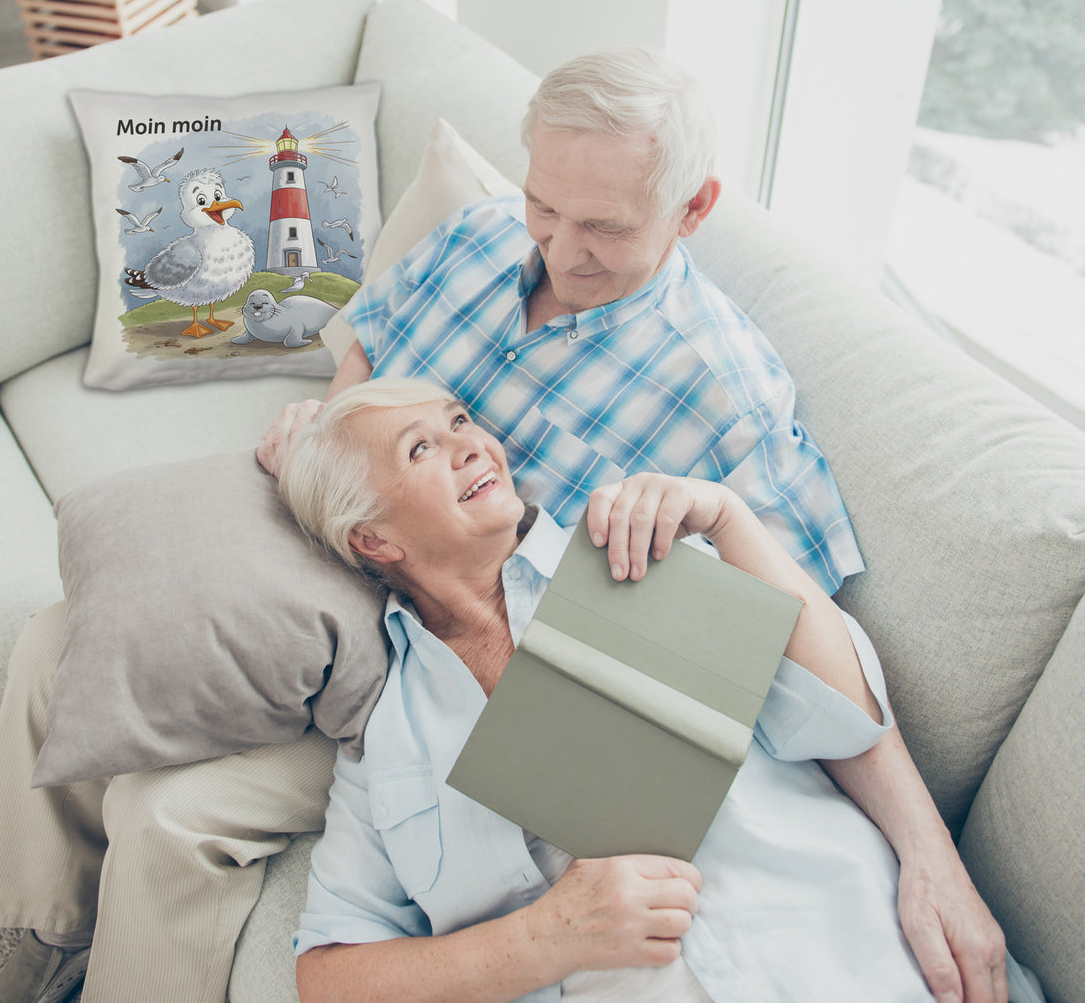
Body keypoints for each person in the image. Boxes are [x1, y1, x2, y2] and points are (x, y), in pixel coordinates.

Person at [259, 48, 1008, 1002]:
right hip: (365, 621)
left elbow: (815, 674)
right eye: (545, 207)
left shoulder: (704, 444)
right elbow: (370, 345)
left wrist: (929, 858)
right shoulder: (479, 240)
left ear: (693, 209)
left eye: (603, 227)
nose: (560, 251)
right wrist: (333, 446)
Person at [278, 378, 1032, 1003]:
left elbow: (844, 718)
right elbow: (329, 976)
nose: (472, 444)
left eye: (460, 421)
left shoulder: (633, 552)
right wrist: (543, 939)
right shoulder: (387, 740)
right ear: (373, 539)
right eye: (422, 448)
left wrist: (730, 520)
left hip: (857, 956)